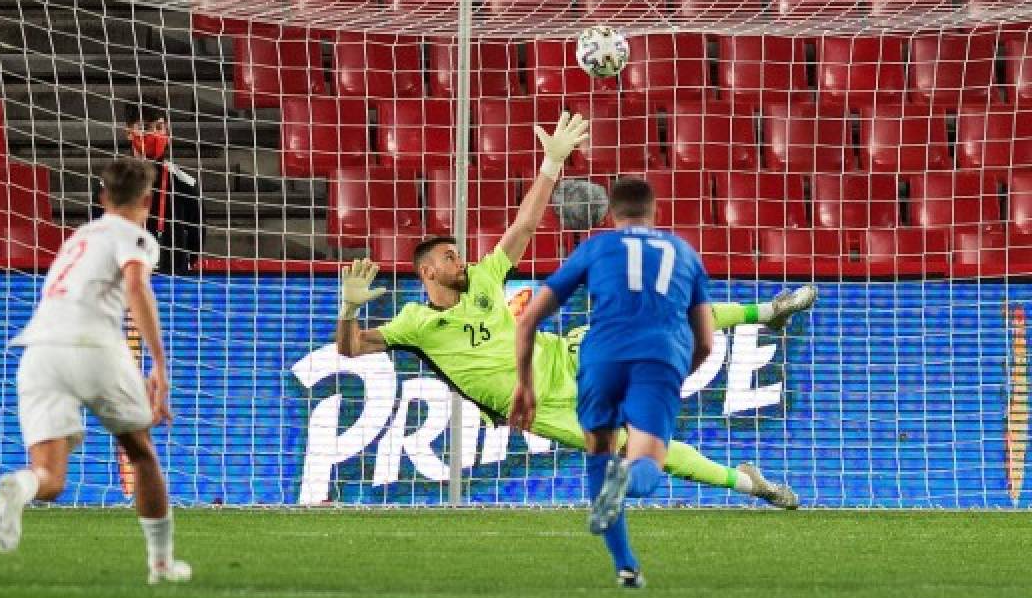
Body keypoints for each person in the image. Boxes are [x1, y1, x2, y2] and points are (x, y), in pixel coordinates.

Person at [335, 112, 810, 508]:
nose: (459, 259)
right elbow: (352, 348)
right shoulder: (416, 324)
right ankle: (750, 484)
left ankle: (768, 312)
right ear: (427, 274)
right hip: (540, 407)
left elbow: (523, 224)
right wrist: (349, 311)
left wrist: (551, 163)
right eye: (448, 256)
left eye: (458, 252)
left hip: (567, 356)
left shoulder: (483, 276)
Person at [0, 157, 190, 585]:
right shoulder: (135, 236)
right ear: (147, 199)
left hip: (40, 350)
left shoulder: (78, 237)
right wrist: (158, 363)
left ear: (102, 197)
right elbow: (136, 287)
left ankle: (21, 486)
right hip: (93, 346)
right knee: (141, 452)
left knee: (51, 478)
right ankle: (161, 565)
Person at [511, 177, 713, 589]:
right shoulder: (685, 253)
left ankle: (626, 566)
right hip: (660, 356)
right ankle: (627, 478)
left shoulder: (595, 248)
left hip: (601, 355)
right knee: (646, 464)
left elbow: (529, 319)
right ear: (654, 210)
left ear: (611, 212)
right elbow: (706, 342)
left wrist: (525, 384)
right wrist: (676, 375)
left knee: (599, 451)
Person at [93, 97, 202, 275]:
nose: (153, 133)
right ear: (129, 132)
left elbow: (196, 241)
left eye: (159, 127)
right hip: (122, 281)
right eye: (144, 127)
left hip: (173, 282)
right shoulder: (109, 184)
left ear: (167, 132)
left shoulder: (185, 184)